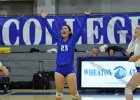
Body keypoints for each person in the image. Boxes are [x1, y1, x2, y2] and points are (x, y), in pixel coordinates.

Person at [40, 10, 91, 100]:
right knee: (59, 94)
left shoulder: (73, 39)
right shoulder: (58, 39)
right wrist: (44, 19)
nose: (63, 30)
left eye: (65, 28)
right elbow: (50, 30)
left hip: (69, 69)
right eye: (62, 29)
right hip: (59, 69)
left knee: (74, 94)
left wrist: (86, 16)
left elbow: (81, 28)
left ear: (69, 32)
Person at [125, 24, 140, 100]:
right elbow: (128, 51)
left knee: (128, 88)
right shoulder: (137, 41)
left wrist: (135, 57)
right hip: (138, 68)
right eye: (135, 28)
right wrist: (133, 40)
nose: (135, 30)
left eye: (137, 28)